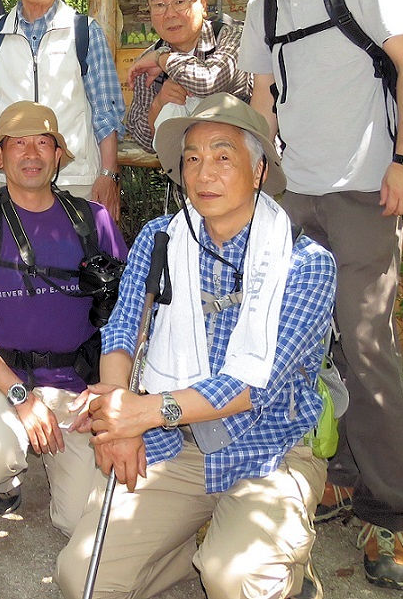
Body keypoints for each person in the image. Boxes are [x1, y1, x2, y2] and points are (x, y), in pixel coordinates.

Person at [56, 95, 336, 599]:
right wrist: (118, 413)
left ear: (259, 170)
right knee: (83, 582)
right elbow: (123, 329)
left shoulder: (305, 263)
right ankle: (196, 543)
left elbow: (257, 385)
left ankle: (278, 566)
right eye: (192, 159)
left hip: (271, 447)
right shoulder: (161, 239)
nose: (204, 173)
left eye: (223, 157)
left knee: (236, 580)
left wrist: (143, 413)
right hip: (177, 445)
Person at [235, 0, 403, 589]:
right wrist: (261, 182)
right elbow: (263, 98)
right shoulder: (260, 7)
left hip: (363, 190)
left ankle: (390, 516)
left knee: (369, 349)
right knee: (294, 346)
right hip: (294, 197)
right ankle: (332, 477)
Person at [0, 102, 127, 534]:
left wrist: (111, 397)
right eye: (18, 144)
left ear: (58, 155)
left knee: (81, 522)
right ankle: (3, 481)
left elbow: (126, 315)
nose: (31, 154)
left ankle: (59, 459)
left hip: (77, 390)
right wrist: (21, 397)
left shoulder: (94, 222)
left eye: (43, 143)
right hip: (4, 383)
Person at [0, 0, 126, 222]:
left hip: (77, 179)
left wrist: (108, 173)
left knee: (80, 251)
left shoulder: (84, 31)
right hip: (10, 180)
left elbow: (107, 109)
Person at [122, 0, 253, 153]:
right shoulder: (149, 60)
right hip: (188, 167)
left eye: (179, 1)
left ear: (203, 4)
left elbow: (210, 82)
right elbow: (143, 140)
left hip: (244, 163)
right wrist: (159, 104)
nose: (170, 13)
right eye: (159, 5)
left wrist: (163, 59)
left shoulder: (232, 37)